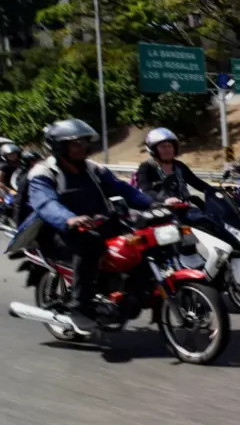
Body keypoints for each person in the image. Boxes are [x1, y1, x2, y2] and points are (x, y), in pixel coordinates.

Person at [20, 119, 155, 334]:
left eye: (83, 143)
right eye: (75, 144)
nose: (81, 148)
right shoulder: (43, 173)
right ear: (59, 147)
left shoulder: (94, 169)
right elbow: (45, 203)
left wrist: (154, 203)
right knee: (89, 244)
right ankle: (80, 307)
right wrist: (69, 219)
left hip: (96, 224)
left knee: (139, 239)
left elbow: (124, 189)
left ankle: (135, 291)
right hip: (58, 232)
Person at [136, 128, 212, 218]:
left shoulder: (179, 166)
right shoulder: (147, 167)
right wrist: (166, 199)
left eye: (170, 146)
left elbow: (197, 183)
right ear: (154, 150)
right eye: (163, 147)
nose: (167, 149)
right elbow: (146, 190)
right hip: (161, 213)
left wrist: (219, 192)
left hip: (184, 210)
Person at [12, 149, 42, 226]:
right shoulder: (26, 178)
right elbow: (19, 202)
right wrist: (18, 223)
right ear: (29, 162)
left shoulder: (42, 172)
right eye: (36, 161)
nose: (39, 162)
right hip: (33, 212)